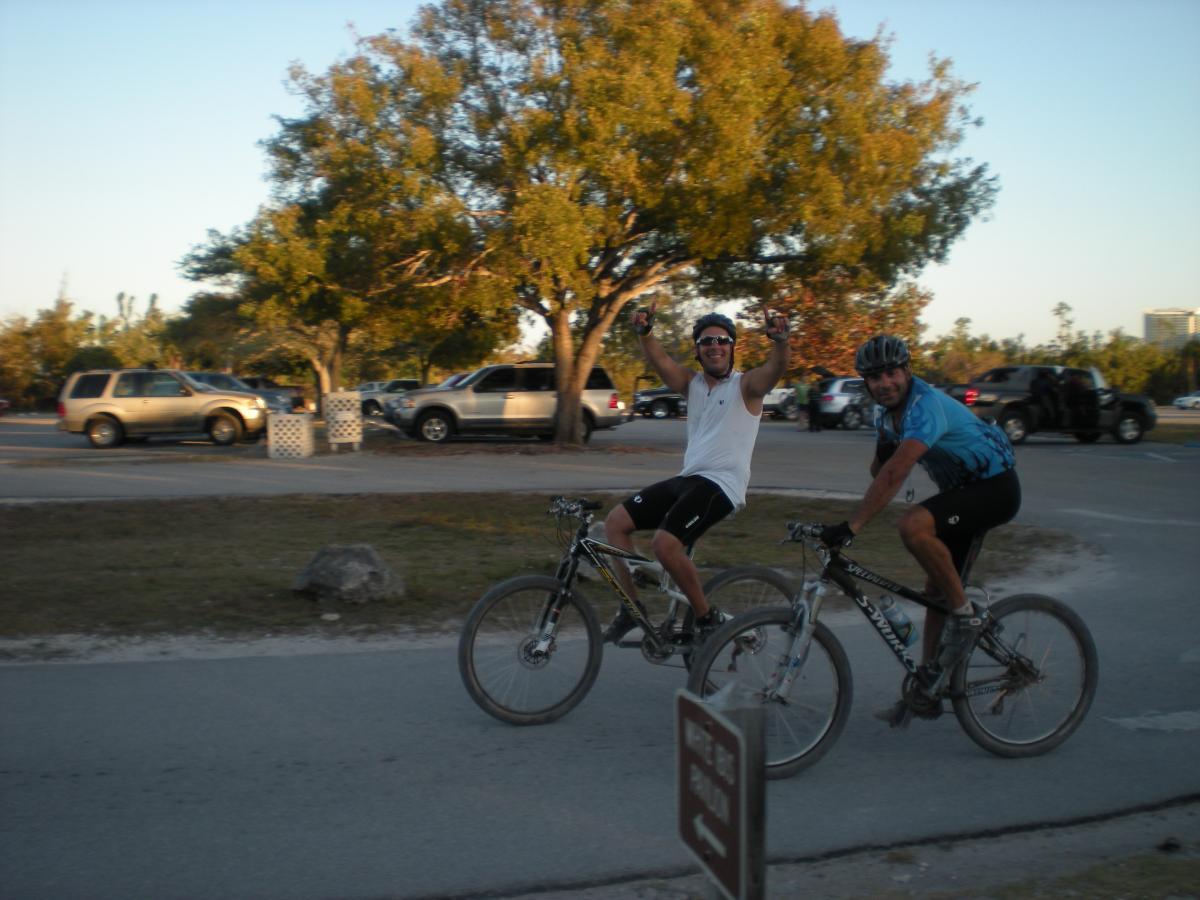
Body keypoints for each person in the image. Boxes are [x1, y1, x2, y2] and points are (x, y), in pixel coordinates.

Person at [817, 335, 1020, 724]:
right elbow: (881, 470)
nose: (884, 383)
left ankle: (967, 616)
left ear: (907, 371)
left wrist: (853, 525)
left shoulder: (925, 406)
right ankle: (930, 685)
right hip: (963, 492)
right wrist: (883, 457)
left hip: (995, 489)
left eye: (891, 373)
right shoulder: (884, 414)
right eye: (874, 378)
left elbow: (896, 472)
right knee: (935, 591)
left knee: (912, 526)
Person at [603, 305, 790, 644]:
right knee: (614, 524)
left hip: (722, 485)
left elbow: (776, 368)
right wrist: (645, 333)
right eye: (706, 342)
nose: (714, 346)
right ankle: (632, 610)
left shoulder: (746, 386)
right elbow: (661, 362)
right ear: (698, 350)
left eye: (722, 340)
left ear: (732, 346)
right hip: (688, 480)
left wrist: (780, 341)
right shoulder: (693, 385)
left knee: (664, 544)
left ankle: (706, 618)